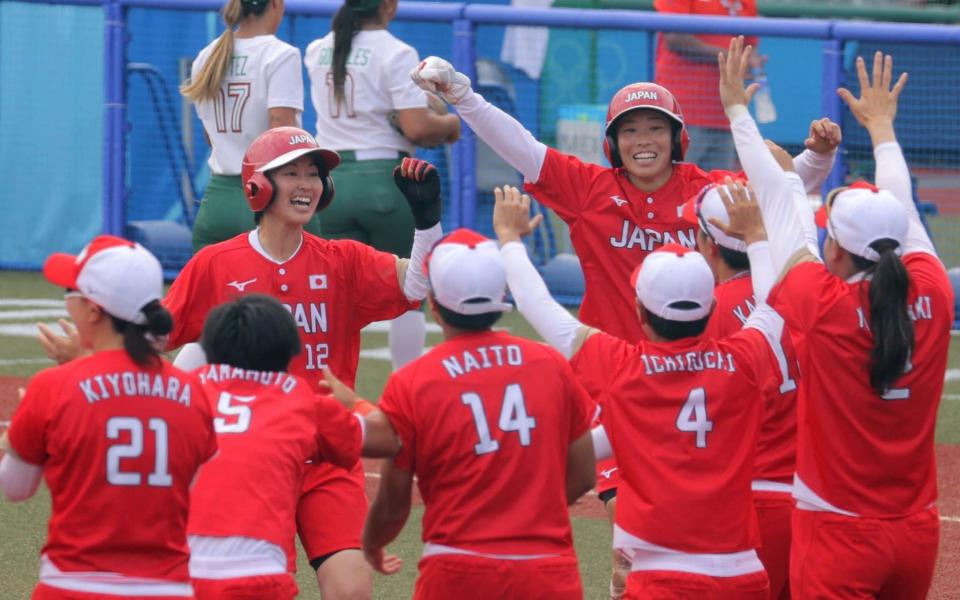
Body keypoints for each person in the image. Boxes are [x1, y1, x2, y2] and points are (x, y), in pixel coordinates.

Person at [411, 54, 836, 599]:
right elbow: (520, 145)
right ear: (611, 142)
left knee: (683, 533)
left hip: (693, 386)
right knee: (631, 540)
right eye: (629, 129)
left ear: (677, 138)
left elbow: (778, 189)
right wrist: (464, 95)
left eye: (655, 127)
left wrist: (817, 159)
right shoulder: (589, 188)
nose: (643, 138)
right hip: (614, 386)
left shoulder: (705, 188)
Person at [164, 127, 444, 599]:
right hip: (253, 455)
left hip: (328, 449)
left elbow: (416, 286)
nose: (306, 184)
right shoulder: (215, 264)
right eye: (291, 173)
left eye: (314, 174)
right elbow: (155, 337)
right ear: (257, 186)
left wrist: (426, 221)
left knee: (352, 589)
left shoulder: (343, 260)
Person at [717, 38, 953, 598]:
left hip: (839, 532)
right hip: (917, 531)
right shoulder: (935, 290)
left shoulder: (824, 307)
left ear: (837, 253)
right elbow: (899, 205)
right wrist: (883, 131)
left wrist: (735, 110)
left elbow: (779, 201)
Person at [493, 185, 788, 598]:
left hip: (661, 577)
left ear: (639, 310)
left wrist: (509, 239)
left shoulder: (622, 366)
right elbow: (773, 302)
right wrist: (757, 236)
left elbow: (535, 302)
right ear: (711, 308)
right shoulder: (742, 359)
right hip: (743, 574)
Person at [360, 228, 596, 599]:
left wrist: (372, 543)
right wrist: (532, 511)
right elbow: (583, 473)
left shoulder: (414, 381)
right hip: (548, 568)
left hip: (457, 569)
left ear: (434, 305)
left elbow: (393, 502)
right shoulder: (550, 364)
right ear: (500, 296)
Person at [0, 235, 217, 599]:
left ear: (94, 310)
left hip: (72, 587)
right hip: (168, 588)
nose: (67, 302)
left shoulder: (54, 386)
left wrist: (12, 437)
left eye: (72, 292)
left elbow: (15, 487)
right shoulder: (192, 391)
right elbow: (193, 490)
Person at [187, 294, 402, 599]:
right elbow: (389, 438)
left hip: (176, 574)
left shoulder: (182, 393)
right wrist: (353, 403)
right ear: (288, 351)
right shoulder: (303, 403)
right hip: (258, 577)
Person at [305, 0, 461, 370]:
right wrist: (451, 125)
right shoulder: (396, 52)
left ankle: (326, 389)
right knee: (410, 293)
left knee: (331, 297)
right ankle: (404, 396)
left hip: (331, 182)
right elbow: (418, 128)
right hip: (387, 181)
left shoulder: (317, 49)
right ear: (388, 6)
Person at [682, 178, 803, 599]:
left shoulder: (712, 312)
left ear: (708, 244)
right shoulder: (806, 292)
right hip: (812, 498)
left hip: (751, 500)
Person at [181, 0, 304, 252]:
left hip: (217, 200)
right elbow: (281, 133)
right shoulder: (280, 53)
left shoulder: (207, 55)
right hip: (266, 198)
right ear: (275, 5)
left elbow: (209, 137)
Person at [653, 0, 763, 171]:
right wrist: (728, 57)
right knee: (674, 186)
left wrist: (751, 61)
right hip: (682, 113)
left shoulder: (746, 2)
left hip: (725, 114)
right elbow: (675, 38)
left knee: (718, 190)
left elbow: (750, 45)